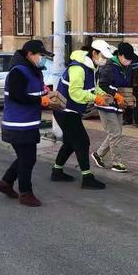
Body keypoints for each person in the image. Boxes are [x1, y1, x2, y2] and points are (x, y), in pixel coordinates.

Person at [0, 40, 53, 207]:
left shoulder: (33, 70)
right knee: (28, 159)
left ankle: (5, 183)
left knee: (25, 158)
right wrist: (40, 100)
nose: (42, 59)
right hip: (17, 124)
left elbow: (33, 90)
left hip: (28, 123)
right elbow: (17, 95)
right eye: (41, 55)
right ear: (30, 54)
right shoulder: (18, 71)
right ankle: (25, 193)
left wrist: (45, 92)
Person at [51, 41, 113, 190]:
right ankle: (87, 178)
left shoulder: (92, 67)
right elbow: (75, 93)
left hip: (71, 110)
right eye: (103, 56)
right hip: (65, 110)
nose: (105, 59)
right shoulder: (78, 68)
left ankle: (57, 171)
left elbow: (94, 87)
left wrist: (106, 95)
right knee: (82, 141)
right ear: (94, 53)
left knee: (70, 142)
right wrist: (96, 99)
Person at [91, 42, 133, 173]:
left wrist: (128, 97)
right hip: (106, 103)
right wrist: (116, 95)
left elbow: (124, 84)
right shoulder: (109, 66)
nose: (128, 61)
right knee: (115, 133)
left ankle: (98, 154)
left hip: (117, 105)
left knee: (116, 134)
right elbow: (103, 85)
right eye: (126, 58)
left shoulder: (124, 67)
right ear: (119, 55)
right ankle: (117, 162)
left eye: (130, 58)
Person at [123, 51, 138, 127]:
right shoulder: (125, 57)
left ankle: (137, 121)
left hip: (134, 83)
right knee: (127, 100)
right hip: (127, 82)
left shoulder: (133, 58)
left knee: (136, 101)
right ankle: (128, 119)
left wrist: (135, 84)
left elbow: (136, 72)